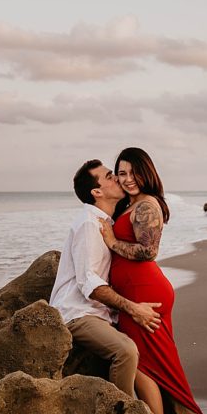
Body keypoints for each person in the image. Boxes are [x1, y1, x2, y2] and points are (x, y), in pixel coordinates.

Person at [98, 147, 207, 414]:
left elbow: (148, 251)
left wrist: (112, 242)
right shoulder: (131, 204)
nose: (128, 179)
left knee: (144, 364)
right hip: (137, 294)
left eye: (133, 172)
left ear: (147, 171)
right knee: (160, 363)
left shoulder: (147, 206)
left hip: (146, 294)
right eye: (122, 173)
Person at [49, 159, 164, 398]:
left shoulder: (109, 221)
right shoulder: (90, 224)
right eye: (110, 176)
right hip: (78, 313)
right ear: (97, 192)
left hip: (102, 312)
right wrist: (133, 308)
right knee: (126, 351)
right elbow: (88, 283)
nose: (118, 179)